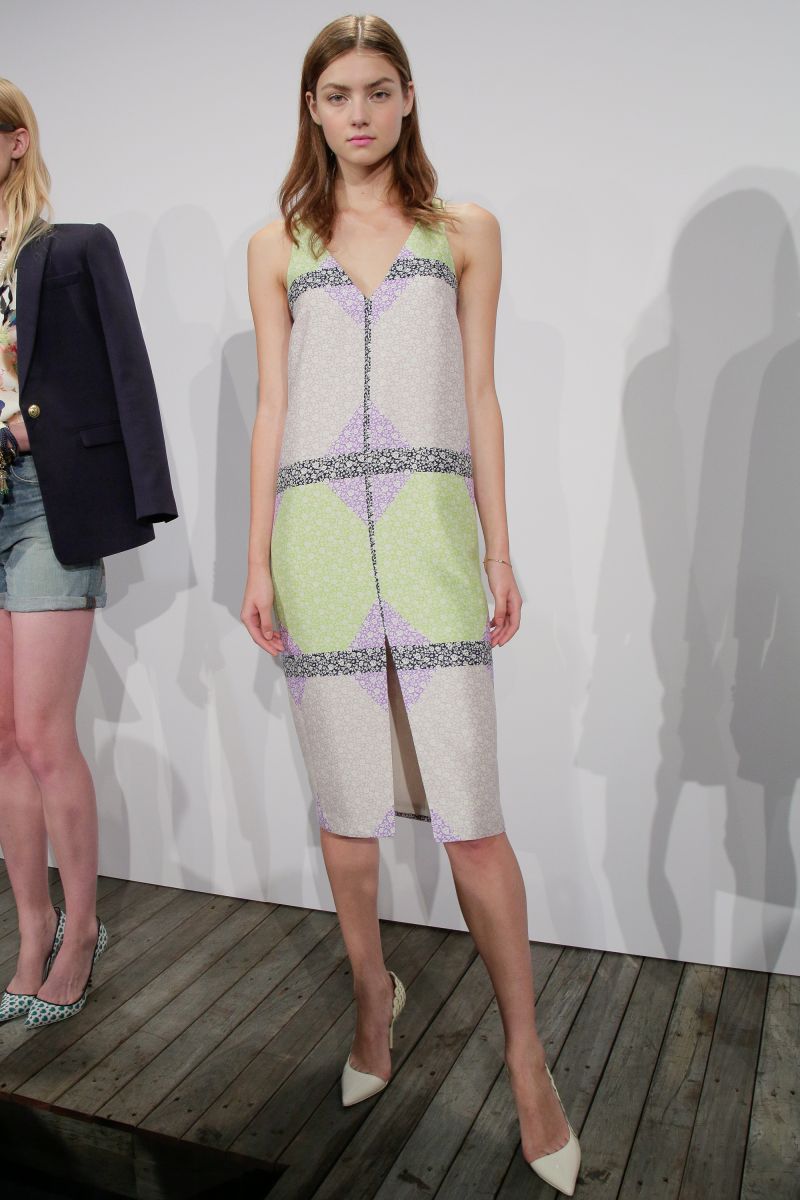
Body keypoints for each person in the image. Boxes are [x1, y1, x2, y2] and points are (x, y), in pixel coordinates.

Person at [241, 15, 580, 1195]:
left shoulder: (463, 232)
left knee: (469, 817)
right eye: (337, 94)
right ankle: (370, 1005)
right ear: (312, 107)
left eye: (377, 90)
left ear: (407, 96)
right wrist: (255, 561)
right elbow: (272, 407)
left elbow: (479, 395)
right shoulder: (277, 245)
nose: (359, 113)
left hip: (433, 544)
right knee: (347, 815)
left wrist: (500, 549)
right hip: (318, 547)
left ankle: (527, 1061)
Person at [0, 80, 177, 1030]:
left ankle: (83, 930)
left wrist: (143, 497)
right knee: (0, 742)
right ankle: (32, 933)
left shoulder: (72, 249)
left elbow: (128, 372)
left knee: (42, 735)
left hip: (45, 502)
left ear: (16, 141)